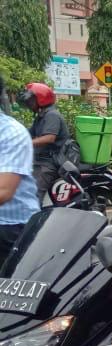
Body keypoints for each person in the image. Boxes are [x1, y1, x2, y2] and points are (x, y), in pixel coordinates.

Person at [0, 75, 40, 257]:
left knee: (43, 182)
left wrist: (32, 142)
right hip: (34, 156)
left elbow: (3, 192)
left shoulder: (11, 132)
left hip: (10, 227)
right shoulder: (39, 116)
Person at [17, 83, 69, 203]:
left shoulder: (52, 115)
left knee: (32, 194)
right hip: (39, 159)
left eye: (31, 101)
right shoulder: (41, 116)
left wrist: (25, 143)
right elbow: (28, 134)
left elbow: (49, 138)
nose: (29, 104)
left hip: (49, 162)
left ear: (41, 99)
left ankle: (34, 216)